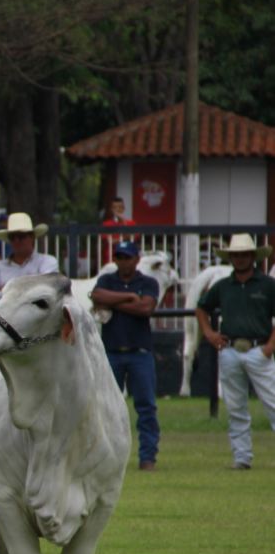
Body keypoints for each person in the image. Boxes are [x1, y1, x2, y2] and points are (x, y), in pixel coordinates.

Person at [195, 233, 275, 470]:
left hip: (259, 349)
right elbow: (201, 308)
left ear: (253, 257)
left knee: (273, 402)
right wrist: (209, 334)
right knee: (235, 406)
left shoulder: (268, 285)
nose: (239, 259)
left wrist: (271, 346)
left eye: (244, 255)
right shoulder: (223, 286)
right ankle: (241, 457)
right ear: (231, 258)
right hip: (230, 349)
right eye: (235, 255)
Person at [92, 240, 160, 471]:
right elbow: (96, 295)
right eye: (119, 257)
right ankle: (106, 458)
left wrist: (115, 302)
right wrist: (131, 298)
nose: (123, 261)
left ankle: (148, 457)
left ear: (137, 259)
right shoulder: (107, 279)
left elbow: (146, 309)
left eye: (127, 257)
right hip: (111, 353)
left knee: (146, 407)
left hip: (140, 353)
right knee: (104, 407)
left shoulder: (148, 282)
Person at [0, 212, 59, 302]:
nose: (16, 240)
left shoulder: (47, 262)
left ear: (32, 237)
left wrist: (5, 290)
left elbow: (48, 292)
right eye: (12, 237)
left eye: (21, 236)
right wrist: (32, 287)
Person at [99, 196, 137, 268]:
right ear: (111, 209)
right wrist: (125, 238)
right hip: (110, 260)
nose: (117, 210)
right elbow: (110, 242)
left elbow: (132, 238)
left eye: (120, 207)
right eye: (115, 208)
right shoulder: (106, 224)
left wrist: (123, 221)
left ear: (123, 209)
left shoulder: (131, 223)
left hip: (128, 260)